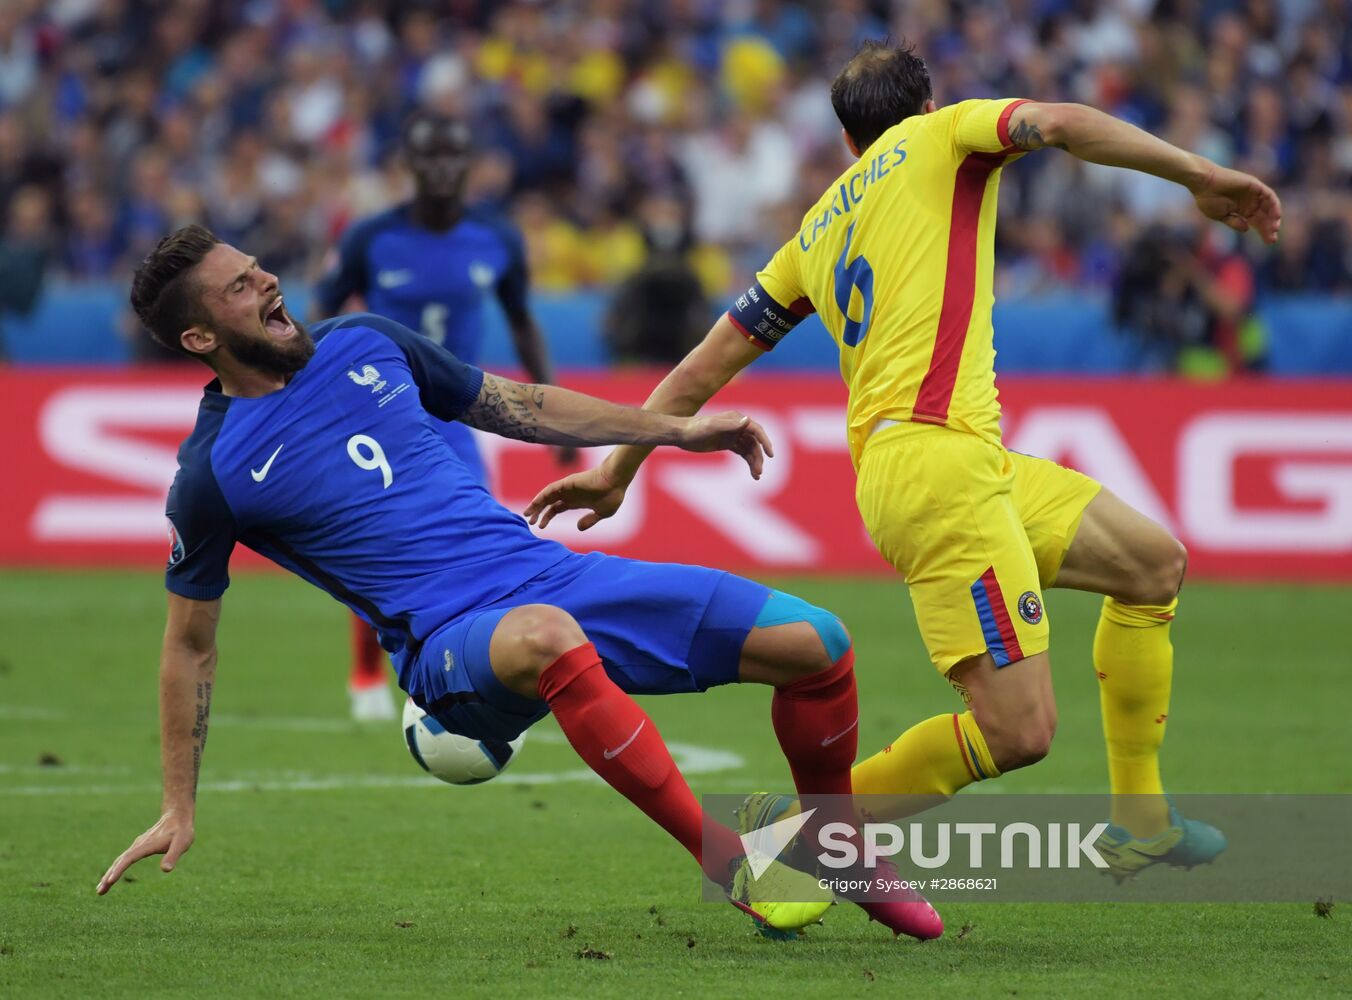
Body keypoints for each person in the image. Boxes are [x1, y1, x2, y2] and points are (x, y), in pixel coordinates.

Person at [525, 40, 1282, 887]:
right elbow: (1062, 122)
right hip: (938, 470)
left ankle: (1140, 820)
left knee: (1151, 565)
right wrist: (1200, 176)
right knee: (1019, 734)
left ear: (849, 141)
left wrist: (617, 471)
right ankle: (801, 827)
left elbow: (700, 369)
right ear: (923, 107)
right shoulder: (946, 137)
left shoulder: (813, 231)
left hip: (949, 462)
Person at [95, 225, 942, 941]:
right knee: (546, 636)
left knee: (818, 644)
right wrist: (179, 804)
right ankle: (730, 862)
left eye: (257, 268)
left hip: (548, 576)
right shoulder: (213, 473)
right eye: (240, 287)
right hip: (447, 646)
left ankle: (838, 849)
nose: (267, 281)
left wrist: (674, 431)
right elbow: (190, 644)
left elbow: (519, 404)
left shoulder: (365, 341)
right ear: (200, 338)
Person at [313, 110, 574, 721]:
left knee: (474, 544)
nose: (441, 168)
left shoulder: (497, 239)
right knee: (376, 542)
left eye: (452, 155)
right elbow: (319, 315)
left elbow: (521, 320)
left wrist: (552, 410)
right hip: (380, 409)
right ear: (407, 164)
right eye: (427, 156)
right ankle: (365, 674)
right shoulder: (370, 238)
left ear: (470, 163)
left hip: (459, 416)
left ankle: (465, 671)